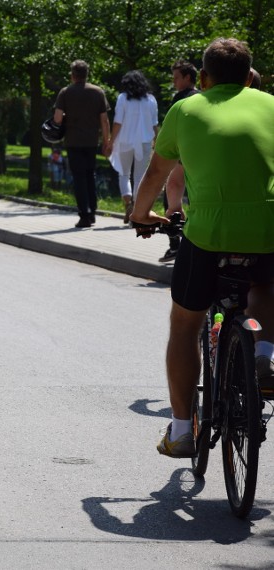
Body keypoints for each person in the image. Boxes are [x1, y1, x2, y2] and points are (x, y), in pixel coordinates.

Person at [129, 38, 274, 458]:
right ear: (249, 76)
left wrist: (141, 215)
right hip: (266, 227)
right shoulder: (269, 104)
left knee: (185, 325)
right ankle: (264, 354)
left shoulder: (186, 109)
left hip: (208, 232)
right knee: (264, 286)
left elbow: (158, 172)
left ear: (204, 77)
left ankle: (180, 431)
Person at [53, 60, 111, 228]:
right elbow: (104, 120)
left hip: (73, 141)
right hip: (91, 141)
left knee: (78, 178)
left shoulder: (65, 93)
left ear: (72, 75)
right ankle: (92, 211)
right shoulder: (98, 92)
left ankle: (84, 215)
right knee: (89, 175)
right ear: (87, 74)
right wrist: (106, 141)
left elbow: (57, 119)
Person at [159, 60, 201, 262]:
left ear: (187, 77)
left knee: (171, 198)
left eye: (177, 77)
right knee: (195, 199)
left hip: (182, 156)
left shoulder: (183, 99)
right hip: (197, 156)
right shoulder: (202, 97)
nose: (174, 81)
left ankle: (176, 243)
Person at [107, 70, 159, 223]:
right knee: (140, 177)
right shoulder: (151, 100)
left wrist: (111, 141)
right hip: (144, 142)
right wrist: (157, 140)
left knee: (123, 174)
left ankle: (128, 203)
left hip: (125, 141)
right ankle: (136, 207)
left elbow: (118, 122)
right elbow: (154, 123)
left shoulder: (123, 98)